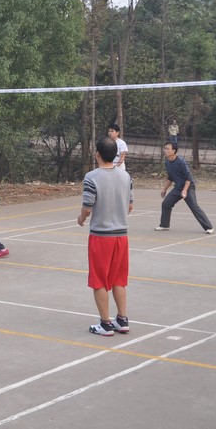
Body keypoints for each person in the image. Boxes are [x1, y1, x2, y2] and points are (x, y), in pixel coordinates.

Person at [77, 137, 134, 337]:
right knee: (119, 279)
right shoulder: (126, 176)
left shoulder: (91, 177)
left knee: (99, 280)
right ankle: (122, 320)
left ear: (97, 155)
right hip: (121, 236)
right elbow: (130, 205)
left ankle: (105, 324)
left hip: (101, 236)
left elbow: (87, 207)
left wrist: (81, 218)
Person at [155, 141, 214, 234]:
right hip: (178, 187)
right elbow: (170, 177)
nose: (165, 150)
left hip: (188, 187)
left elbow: (188, 178)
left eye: (167, 149)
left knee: (194, 207)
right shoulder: (167, 162)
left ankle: (209, 227)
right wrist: (164, 189)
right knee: (166, 203)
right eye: (165, 148)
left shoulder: (181, 161)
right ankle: (164, 225)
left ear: (174, 151)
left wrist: (185, 191)